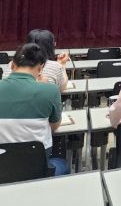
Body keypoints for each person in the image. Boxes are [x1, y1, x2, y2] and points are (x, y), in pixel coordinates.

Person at [0, 43, 69, 175]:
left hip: (2, 169)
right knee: (61, 164)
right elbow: (54, 126)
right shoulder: (50, 90)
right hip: (36, 167)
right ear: (41, 68)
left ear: (12, 65)